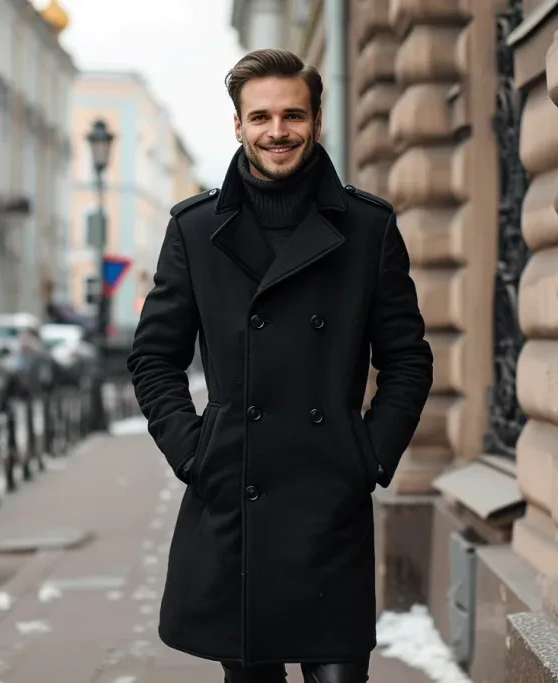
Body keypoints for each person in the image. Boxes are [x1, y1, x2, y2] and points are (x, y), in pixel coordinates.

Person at [127, 48, 433, 683]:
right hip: (236, 500)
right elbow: (155, 357)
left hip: (329, 504)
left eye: (292, 114)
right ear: (237, 125)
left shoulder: (367, 227)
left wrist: (369, 455)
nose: (277, 131)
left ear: (317, 118)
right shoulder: (196, 228)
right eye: (260, 116)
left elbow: (408, 359)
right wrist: (195, 451)